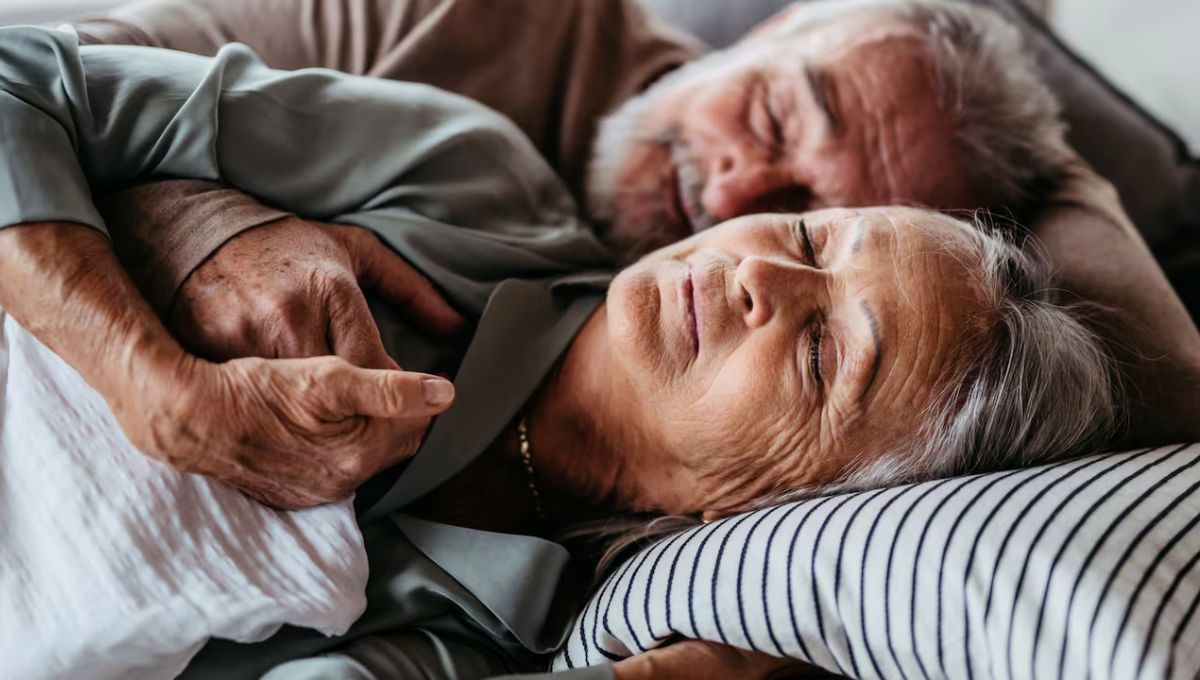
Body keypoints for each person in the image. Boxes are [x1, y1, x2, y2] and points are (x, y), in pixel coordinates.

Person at [0, 23, 1120, 680]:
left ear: (783, 500)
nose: (757, 272)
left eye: (828, 352)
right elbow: (15, 70)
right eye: (809, 239)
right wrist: (144, 374)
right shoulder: (463, 183)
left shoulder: (484, 634)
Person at [64, 0, 1200, 498]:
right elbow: (42, 78)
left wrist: (1070, 177)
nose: (740, 203)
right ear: (766, 26)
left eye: (812, 200)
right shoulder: (472, 28)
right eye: (771, 118)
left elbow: (1172, 392)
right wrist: (199, 224)